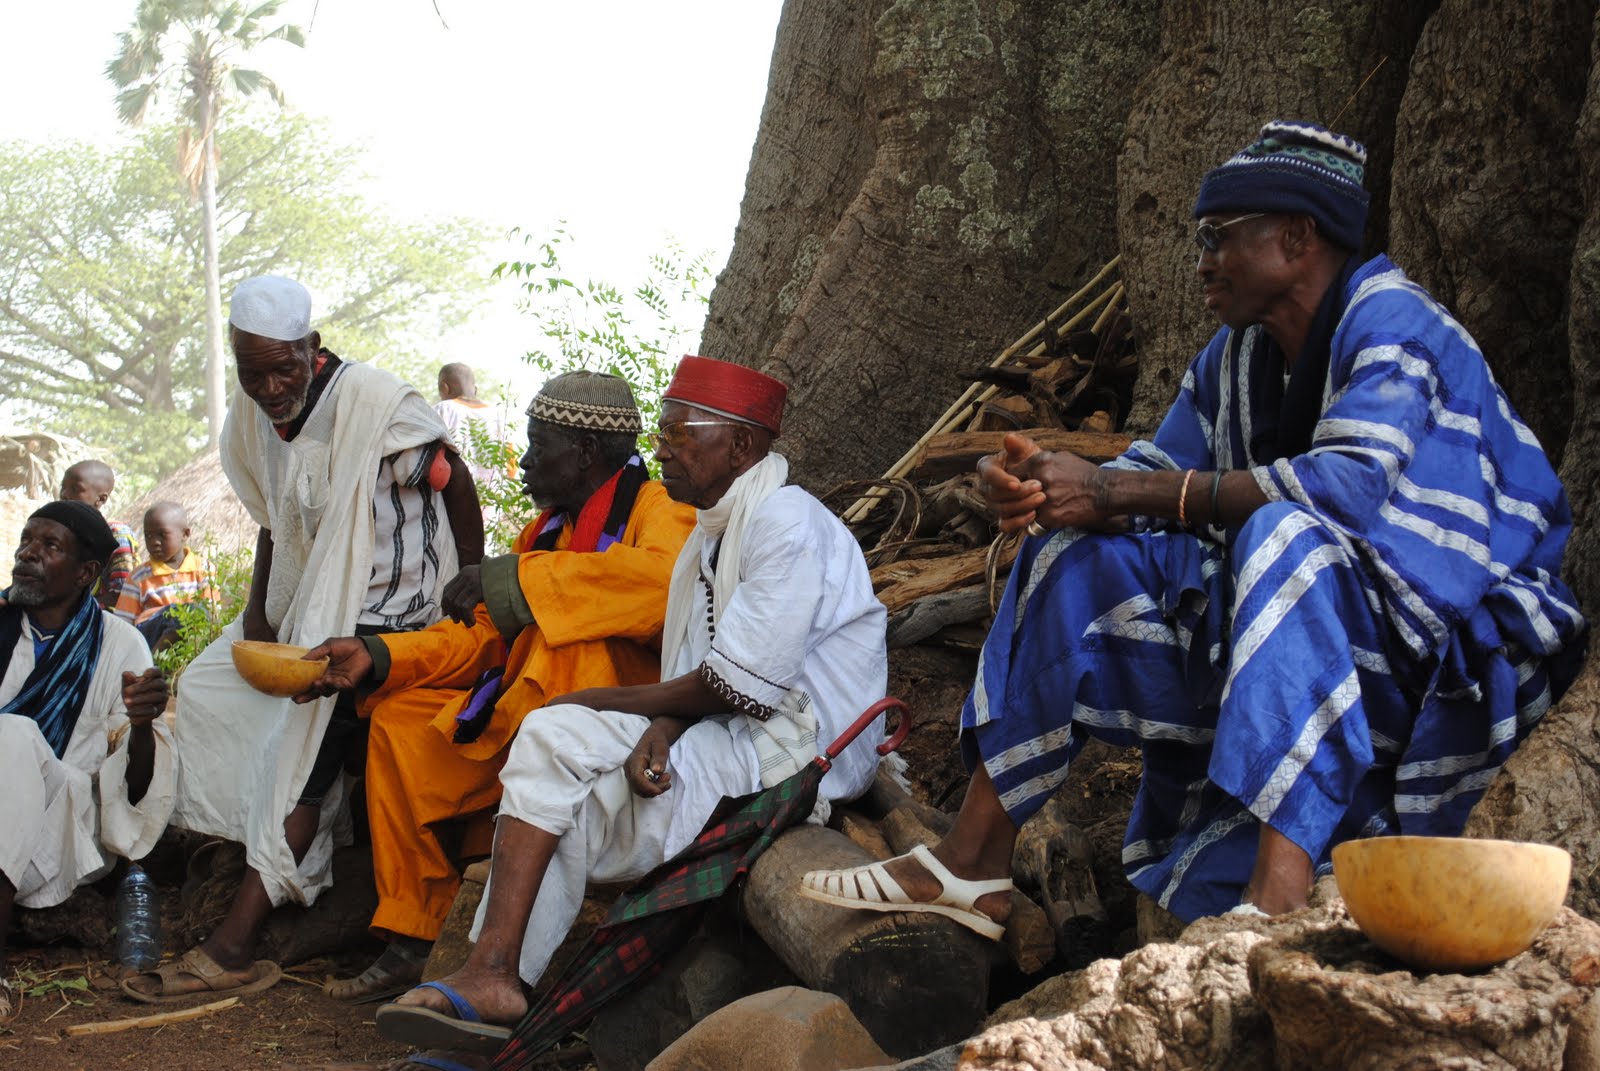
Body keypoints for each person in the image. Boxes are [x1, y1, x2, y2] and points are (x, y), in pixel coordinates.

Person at [800, 120, 1588, 933]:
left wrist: (1116, 491)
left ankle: (1272, 901)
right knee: (1078, 550)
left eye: (1219, 237)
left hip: (1444, 658)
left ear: (1296, 236)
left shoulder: (1395, 320)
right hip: (1297, 649)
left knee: (1286, 537)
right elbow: (1145, 477)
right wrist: (1042, 489)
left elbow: (1346, 489)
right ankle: (972, 863)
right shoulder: (1234, 357)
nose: (1203, 259)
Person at [373, 355, 889, 1054]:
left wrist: (609, 701)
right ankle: (490, 987)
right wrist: (662, 725)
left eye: (682, 436)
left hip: (805, 749)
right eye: (665, 435)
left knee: (561, 735)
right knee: (563, 798)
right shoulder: (711, 531)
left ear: (741, 446)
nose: (663, 451)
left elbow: (739, 684)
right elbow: (712, 671)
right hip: (739, 731)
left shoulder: (786, 521)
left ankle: (493, 975)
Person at [125, 275, 485, 1001]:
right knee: (210, 687)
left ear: (311, 349)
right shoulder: (255, 420)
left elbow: (455, 480)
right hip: (315, 605)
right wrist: (259, 615)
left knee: (309, 743)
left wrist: (472, 578)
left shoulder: (374, 406)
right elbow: (271, 521)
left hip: (397, 611)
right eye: (250, 372)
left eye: (282, 367)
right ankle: (244, 859)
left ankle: (235, 941)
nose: (267, 385)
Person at [301, 371, 694, 1001]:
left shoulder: (659, 511)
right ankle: (416, 932)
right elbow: (483, 640)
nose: (525, 462)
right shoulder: (545, 535)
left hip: (612, 722)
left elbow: (659, 584)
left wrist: (513, 580)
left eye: (539, 446)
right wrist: (378, 655)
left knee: (575, 638)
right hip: (523, 709)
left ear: (586, 453)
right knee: (400, 721)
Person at [0, 501, 174, 1022]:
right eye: (28, 539)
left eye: (50, 546)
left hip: (66, 822)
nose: (28, 553)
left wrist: (142, 725)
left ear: (85, 573)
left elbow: (137, 786)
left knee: (13, 734)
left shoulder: (120, 644)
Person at [113, 501, 217, 652]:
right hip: (149, 636)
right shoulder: (138, 576)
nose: (154, 542)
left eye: (162, 535)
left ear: (185, 534)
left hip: (190, 635)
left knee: (196, 612)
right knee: (178, 613)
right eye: (148, 535)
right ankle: (154, 662)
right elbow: (123, 624)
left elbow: (212, 611)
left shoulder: (204, 569)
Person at [58, 460, 139, 611]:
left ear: (101, 499)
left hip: (102, 622)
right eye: (63, 487)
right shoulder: (62, 536)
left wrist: (69, 608)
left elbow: (120, 594)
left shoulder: (115, 535)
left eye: (75, 488)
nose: (64, 494)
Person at [436, 362, 512, 486]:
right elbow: (510, 463)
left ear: (444, 388)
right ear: (475, 390)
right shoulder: (499, 415)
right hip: (493, 498)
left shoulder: (443, 409)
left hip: (454, 494)